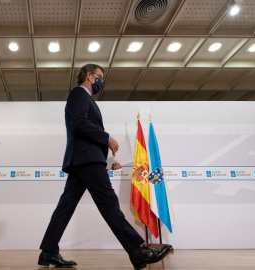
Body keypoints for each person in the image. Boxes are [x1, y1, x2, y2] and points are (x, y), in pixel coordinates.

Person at [38, 64, 171, 269]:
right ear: (89, 76)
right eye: (99, 76)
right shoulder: (79, 94)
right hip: (86, 161)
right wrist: (106, 137)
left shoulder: (85, 98)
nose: (101, 81)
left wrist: (108, 160)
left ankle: (48, 252)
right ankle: (137, 251)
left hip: (83, 160)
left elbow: (83, 130)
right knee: (109, 203)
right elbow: (80, 124)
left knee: (65, 207)